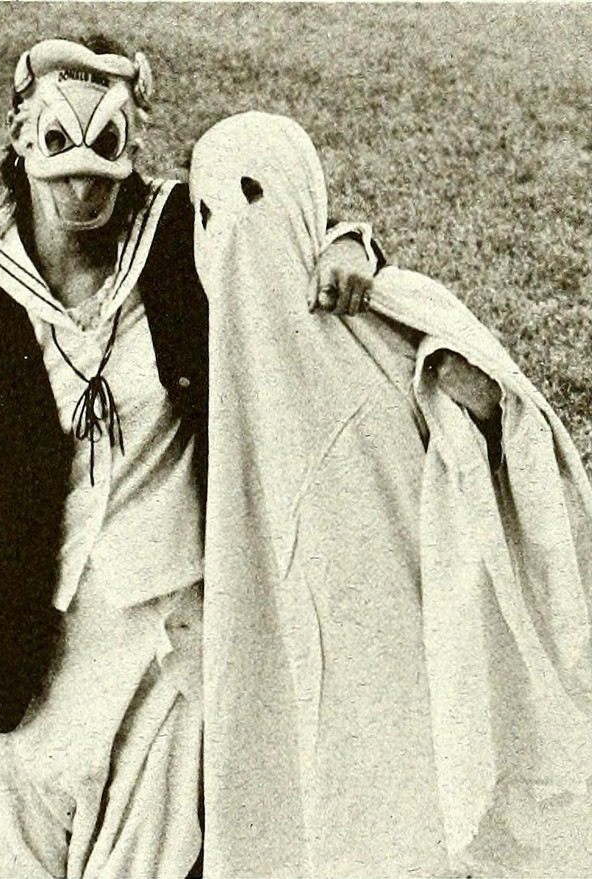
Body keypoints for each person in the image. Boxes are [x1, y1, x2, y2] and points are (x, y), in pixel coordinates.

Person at [0, 39, 383, 879]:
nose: (81, 189)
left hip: (160, 645)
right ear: (21, 142)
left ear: (132, 148)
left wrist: (351, 243)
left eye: (104, 160)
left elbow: (274, 227)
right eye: (59, 159)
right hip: (14, 642)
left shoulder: (179, 244)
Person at [190, 111, 592, 878]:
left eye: (255, 196)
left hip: (410, 619)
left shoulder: (387, 311)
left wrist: (458, 386)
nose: (236, 231)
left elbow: (511, 425)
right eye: (209, 213)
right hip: (301, 639)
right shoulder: (202, 331)